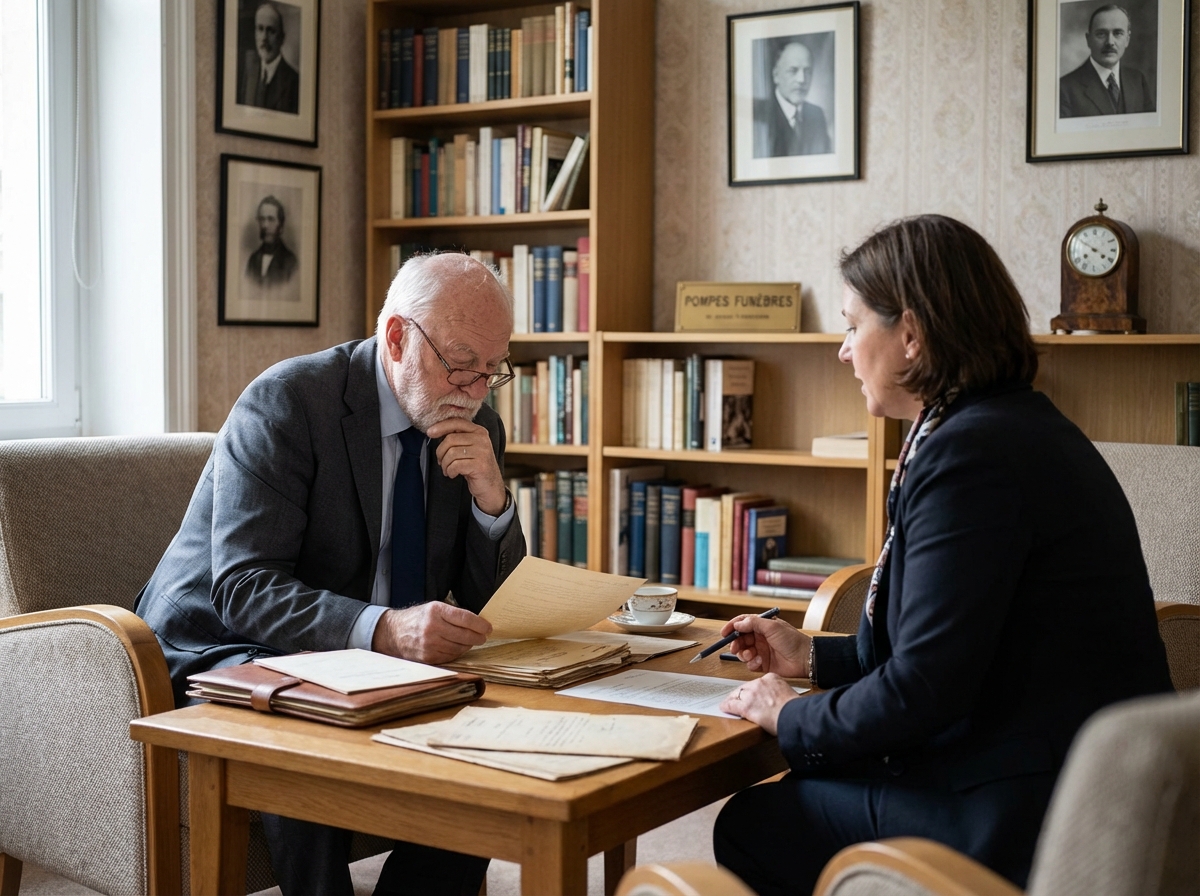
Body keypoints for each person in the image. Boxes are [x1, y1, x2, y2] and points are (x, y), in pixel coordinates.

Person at [711, 215, 1172, 896]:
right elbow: (946, 644)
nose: (842, 351)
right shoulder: (1006, 427)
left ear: (912, 334)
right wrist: (811, 657)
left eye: (850, 325)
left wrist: (789, 713)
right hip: (1060, 773)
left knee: (759, 820)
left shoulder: (971, 456)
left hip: (1031, 809)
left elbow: (924, 690)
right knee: (806, 785)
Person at [136, 252, 526, 896]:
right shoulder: (288, 402)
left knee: (488, 731)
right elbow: (243, 588)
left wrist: (491, 498)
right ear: (399, 337)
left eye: (492, 370)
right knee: (308, 730)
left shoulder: (475, 421)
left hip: (358, 659)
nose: (476, 389)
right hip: (218, 644)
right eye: (460, 362)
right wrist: (384, 631)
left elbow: (496, 603)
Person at [1060, 5, 1155, 117]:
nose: (1110, 42)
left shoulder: (1138, 80)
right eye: (1101, 34)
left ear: (1127, 39)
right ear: (1088, 40)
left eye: (1118, 33)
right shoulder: (1065, 88)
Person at [753, 40, 831, 158]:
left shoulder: (817, 114)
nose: (802, 79)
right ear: (776, 75)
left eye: (807, 71)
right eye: (793, 71)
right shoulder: (758, 113)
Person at [238, 1, 300, 113]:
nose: (264, 38)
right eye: (260, 29)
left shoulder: (294, 82)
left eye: (271, 31)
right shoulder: (248, 73)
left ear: (282, 38)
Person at [244, 196, 298, 287]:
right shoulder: (253, 260)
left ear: (280, 227)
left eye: (271, 219)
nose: (265, 225)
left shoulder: (291, 262)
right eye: (262, 219)